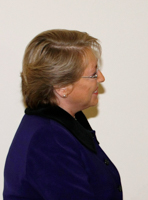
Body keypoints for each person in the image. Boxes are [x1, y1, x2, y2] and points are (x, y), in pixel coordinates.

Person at [4, 29, 123, 199]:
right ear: (62, 87)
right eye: (93, 74)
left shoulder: (58, 126)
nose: (101, 78)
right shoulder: (48, 140)